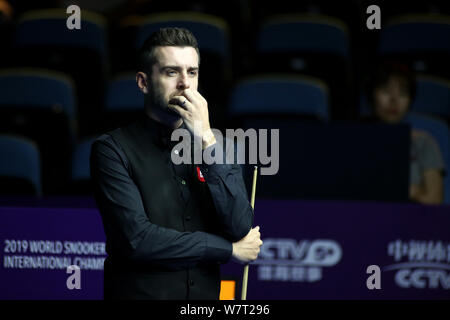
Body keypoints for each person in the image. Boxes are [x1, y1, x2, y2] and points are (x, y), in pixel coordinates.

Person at [90, 27, 262, 299]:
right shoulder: (112, 150)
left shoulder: (217, 147)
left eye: (191, 72)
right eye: (172, 72)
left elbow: (240, 227)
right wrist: (227, 250)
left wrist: (206, 139)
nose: (185, 83)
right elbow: (138, 241)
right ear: (143, 83)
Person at [364, 61, 445, 205]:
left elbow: (435, 201)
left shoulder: (423, 142)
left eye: (403, 93)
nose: (394, 100)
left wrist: (413, 192)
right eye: (386, 91)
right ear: (372, 95)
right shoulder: (357, 140)